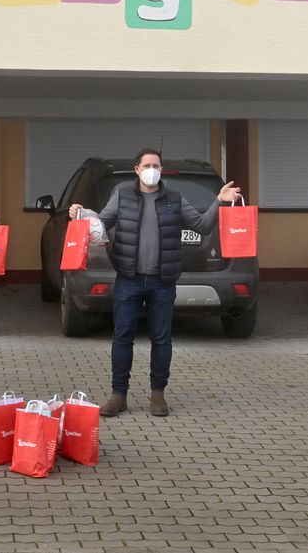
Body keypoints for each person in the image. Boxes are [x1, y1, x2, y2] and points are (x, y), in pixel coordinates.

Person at [69, 149, 240, 418]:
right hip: (128, 279)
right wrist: (81, 214)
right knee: (122, 337)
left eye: (156, 165)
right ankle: (118, 395)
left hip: (162, 281)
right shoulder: (122, 196)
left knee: (161, 339)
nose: (152, 169)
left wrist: (219, 201)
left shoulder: (173, 199)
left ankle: (158, 394)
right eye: (147, 165)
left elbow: (202, 225)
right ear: (137, 169)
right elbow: (101, 223)